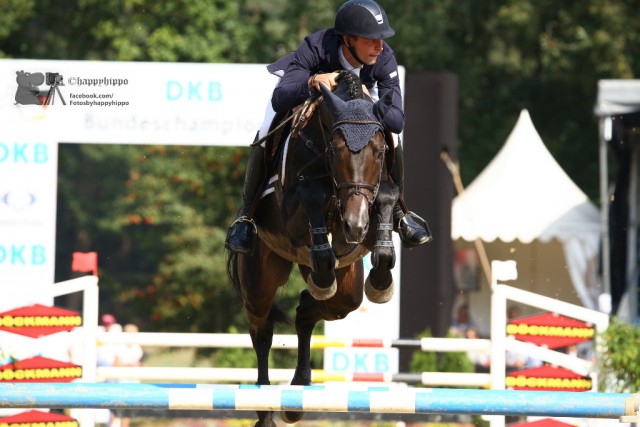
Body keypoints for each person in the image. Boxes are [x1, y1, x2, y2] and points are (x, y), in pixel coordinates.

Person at [225, 0, 432, 255]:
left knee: (394, 136)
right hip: (310, 95)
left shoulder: (383, 57)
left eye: (381, 40)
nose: (379, 46)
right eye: (370, 40)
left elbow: (397, 120)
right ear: (348, 40)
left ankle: (401, 212)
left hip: (363, 106)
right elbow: (281, 97)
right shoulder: (316, 47)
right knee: (268, 124)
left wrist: (367, 97)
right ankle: (247, 214)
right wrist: (312, 81)